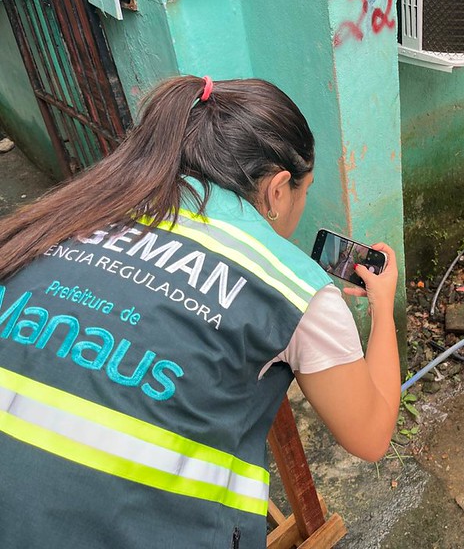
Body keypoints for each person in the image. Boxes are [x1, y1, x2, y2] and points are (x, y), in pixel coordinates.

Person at [0, 75, 400, 548]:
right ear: (277, 190)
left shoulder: (78, 213)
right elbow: (371, 435)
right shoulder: (291, 285)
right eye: (305, 190)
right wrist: (382, 307)